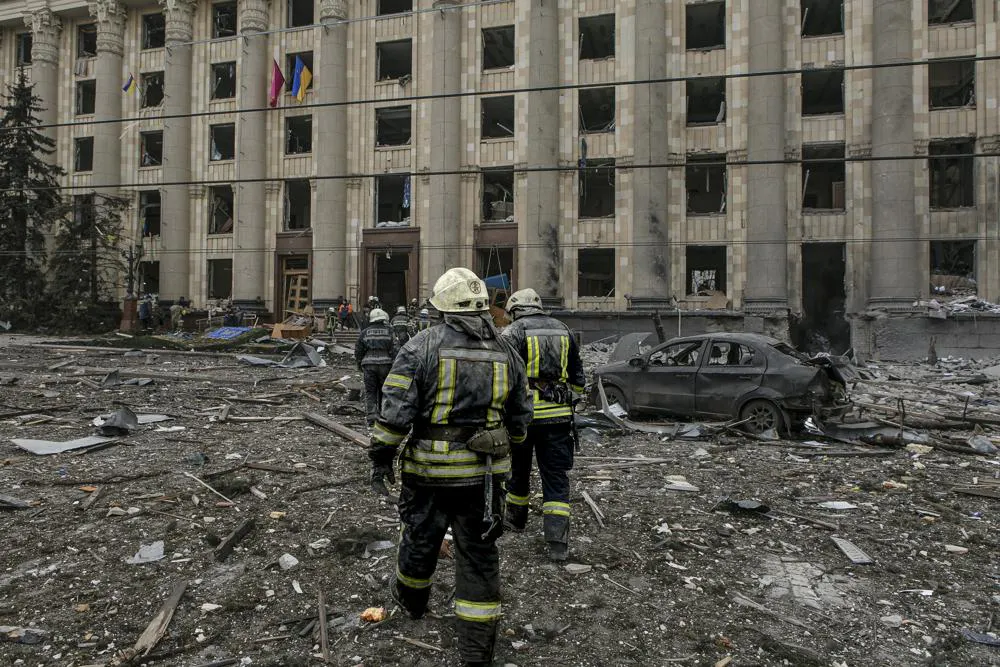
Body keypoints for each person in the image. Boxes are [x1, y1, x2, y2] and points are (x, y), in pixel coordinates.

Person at [369, 267, 533, 667]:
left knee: (421, 538)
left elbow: (395, 414)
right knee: (477, 554)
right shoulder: (506, 351)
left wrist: (381, 458)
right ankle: (476, 651)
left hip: (428, 474)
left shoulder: (420, 346)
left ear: (440, 307)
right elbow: (521, 418)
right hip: (484, 480)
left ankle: (411, 602)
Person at [501, 287, 586, 562]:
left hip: (523, 419)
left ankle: (515, 521)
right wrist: (569, 400)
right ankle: (557, 543)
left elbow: (501, 374)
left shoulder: (513, 332)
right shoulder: (565, 330)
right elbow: (578, 378)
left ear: (515, 310)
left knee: (518, 471)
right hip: (559, 419)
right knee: (556, 479)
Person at [355, 308, 396, 427]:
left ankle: (372, 417)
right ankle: (384, 415)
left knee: (370, 391)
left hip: (369, 365)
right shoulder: (389, 331)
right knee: (385, 391)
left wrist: (359, 363)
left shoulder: (365, 332)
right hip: (385, 364)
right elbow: (395, 349)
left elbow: (358, 350)